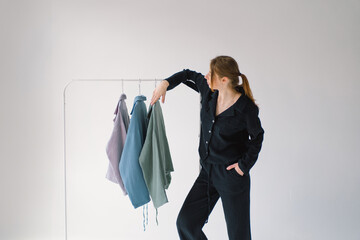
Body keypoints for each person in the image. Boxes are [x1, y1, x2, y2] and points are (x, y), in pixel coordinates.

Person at [150, 55, 264, 240]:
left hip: (231, 176)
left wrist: (243, 167)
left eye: (212, 74)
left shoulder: (245, 108)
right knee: (186, 223)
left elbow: (257, 137)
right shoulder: (209, 92)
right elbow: (188, 74)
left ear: (224, 80)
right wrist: (165, 83)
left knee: (239, 236)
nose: (207, 76)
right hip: (208, 172)